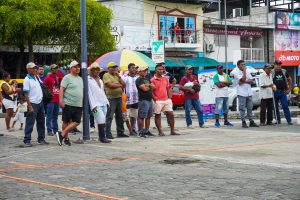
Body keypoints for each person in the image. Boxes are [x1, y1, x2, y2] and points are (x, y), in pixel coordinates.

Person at [56, 60, 83, 146]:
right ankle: (66, 138)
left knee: (77, 121)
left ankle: (62, 134)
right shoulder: (67, 77)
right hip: (68, 103)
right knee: (66, 121)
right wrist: (60, 100)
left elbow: (81, 91)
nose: (77, 68)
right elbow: (61, 89)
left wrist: (82, 102)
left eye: (78, 67)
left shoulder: (81, 79)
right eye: (75, 67)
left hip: (78, 104)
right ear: (71, 68)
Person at [23, 62, 49, 147]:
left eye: (35, 68)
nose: (35, 69)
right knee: (30, 122)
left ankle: (41, 138)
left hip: (40, 102)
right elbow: (26, 94)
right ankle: (27, 140)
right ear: (28, 69)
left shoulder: (36, 77)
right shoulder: (27, 79)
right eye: (32, 68)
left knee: (41, 122)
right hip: (33, 103)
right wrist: (29, 106)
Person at [151, 63, 179, 136]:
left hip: (166, 99)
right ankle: (160, 131)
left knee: (171, 114)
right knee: (157, 115)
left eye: (162, 69)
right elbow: (151, 91)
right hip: (158, 100)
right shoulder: (152, 80)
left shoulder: (165, 78)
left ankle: (172, 130)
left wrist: (169, 98)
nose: (161, 70)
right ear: (155, 70)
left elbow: (168, 88)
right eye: (159, 69)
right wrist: (154, 99)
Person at [230, 60, 259, 128]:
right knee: (242, 108)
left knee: (250, 108)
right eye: (242, 64)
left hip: (249, 92)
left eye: (244, 64)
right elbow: (242, 79)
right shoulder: (236, 72)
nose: (244, 66)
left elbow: (251, 81)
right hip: (241, 92)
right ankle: (243, 122)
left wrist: (244, 81)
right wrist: (244, 72)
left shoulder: (248, 70)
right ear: (238, 65)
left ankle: (251, 121)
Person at [103, 62, 128, 139]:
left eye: (115, 67)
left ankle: (120, 132)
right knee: (110, 116)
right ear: (108, 68)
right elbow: (110, 85)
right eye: (112, 67)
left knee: (119, 116)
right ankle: (107, 133)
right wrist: (119, 85)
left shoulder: (117, 76)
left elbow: (124, 85)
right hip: (111, 98)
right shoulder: (106, 75)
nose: (114, 69)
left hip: (119, 97)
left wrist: (119, 77)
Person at [88, 62, 111, 143]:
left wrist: (107, 102)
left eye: (98, 70)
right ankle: (102, 137)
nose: (97, 71)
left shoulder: (100, 80)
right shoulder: (88, 80)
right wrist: (92, 105)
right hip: (95, 104)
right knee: (100, 119)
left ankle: (103, 136)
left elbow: (102, 91)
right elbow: (89, 93)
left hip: (103, 102)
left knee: (103, 119)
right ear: (91, 70)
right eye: (95, 70)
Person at [136, 66, 155, 137]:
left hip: (149, 99)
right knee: (141, 116)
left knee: (148, 116)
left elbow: (154, 87)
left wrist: (148, 85)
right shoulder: (138, 80)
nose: (145, 72)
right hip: (143, 100)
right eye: (143, 71)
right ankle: (141, 131)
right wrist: (149, 86)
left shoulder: (147, 79)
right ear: (139, 72)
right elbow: (144, 89)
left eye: (146, 71)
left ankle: (146, 130)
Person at [272, 60, 293, 125]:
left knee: (285, 106)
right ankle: (278, 120)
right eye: (277, 64)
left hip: (283, 91)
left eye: (279, 65)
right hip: (274, 92)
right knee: (275, 107)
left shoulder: (284, 71)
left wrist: (289, 89)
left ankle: (289, 120)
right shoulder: (271, 72)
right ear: (274, 65)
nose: (278, 66)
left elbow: (290, 79)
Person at [122, 63, 139, 136]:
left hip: (136, 100)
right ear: (128, 69)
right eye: (132, 68)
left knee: (133, 115)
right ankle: (129, 129)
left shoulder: (137, 77)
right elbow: (122, 87)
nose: (134, 69)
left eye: (135, 68)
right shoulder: (124, 77)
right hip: (127, 99)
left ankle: (133, 129)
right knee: (125, 116)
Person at [44, 64, 60, 136]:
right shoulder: (47, 78)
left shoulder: (57, 77)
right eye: (54, 68)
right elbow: (44, 88)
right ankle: (49, 130)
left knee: (55, 116)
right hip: (50, 100)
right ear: (51, 70)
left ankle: (55, 130)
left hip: (57, 99)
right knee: (49, 116)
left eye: (57, 68)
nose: (56, 69)